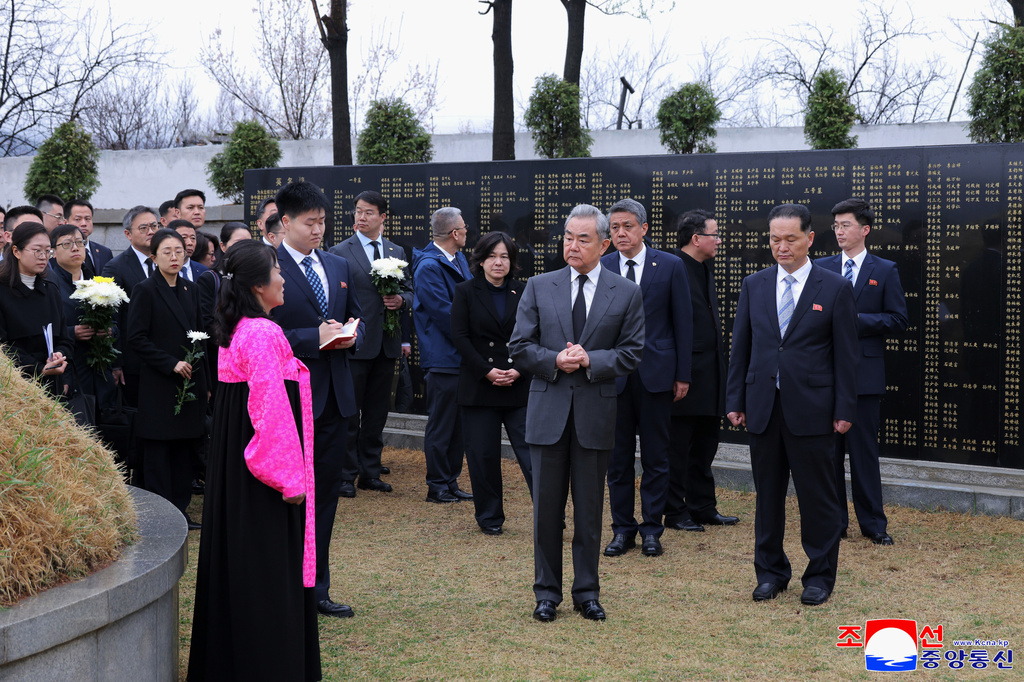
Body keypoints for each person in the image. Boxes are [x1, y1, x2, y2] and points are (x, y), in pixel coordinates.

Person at [188, 240, 320, 682]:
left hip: (236, 468)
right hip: (263, 475)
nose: (284, 278)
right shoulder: (263, 332)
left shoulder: (237, 327)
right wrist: (290, 480)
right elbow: (269, 410)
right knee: (266, 570)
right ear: (259, 286)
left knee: (239, 564)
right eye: (278, 271)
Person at [508, 203, 644, 623]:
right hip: (547, 414)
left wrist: (592, 360)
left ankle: (587, 592)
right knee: (546, 512)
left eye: (583, 239)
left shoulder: (625, 292)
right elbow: (519, 347)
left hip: (594, 417)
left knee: (588, 513)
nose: (572, 245)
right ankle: (546, 593)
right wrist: (553, 360)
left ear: (604, 244)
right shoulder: (538, 285)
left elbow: (632, 352)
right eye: (568, 236)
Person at [725, 203, 858, 607]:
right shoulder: (755, 284)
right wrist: (735, 398)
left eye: (790, 239)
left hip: (814, 409)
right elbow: (741, 347)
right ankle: (770, 573)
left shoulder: (834, 287)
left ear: (809, 239)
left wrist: (844, 409)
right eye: (774, 239)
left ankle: (819, 576)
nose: (781, 247)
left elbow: (846, 356)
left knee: (818, 498)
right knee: (767, 497)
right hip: (763, 405)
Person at [271, 180, 363, 618]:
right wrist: (314, 338)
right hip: (289, 401)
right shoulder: (265, 268)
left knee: (324, 496)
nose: (318, 230)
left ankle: (317, 585)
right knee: (287, 496)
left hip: (335, 400)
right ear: (285, 222)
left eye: (323, 222)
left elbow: (352, 318)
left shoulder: (338, 264)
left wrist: (350, 336)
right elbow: (253, 335)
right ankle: (282, 582)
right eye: (310, 223)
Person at [599, 198, 692, 558]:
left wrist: (682, 374)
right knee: (617, 459)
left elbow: (683, 322)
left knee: (656, 457)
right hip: (612, 377)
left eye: (627, 226)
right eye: (615, 228)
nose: (620, 233)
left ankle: (653, 529)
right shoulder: (602, 265)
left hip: (657, 375)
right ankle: (622, 529)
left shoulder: (669, 265)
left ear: (644, 229)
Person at [816, 198, 908, 546]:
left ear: (864, 229)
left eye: (846, 225)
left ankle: (873, 524)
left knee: (864, 454)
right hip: (825, 375)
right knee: (829, 455)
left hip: (865, 377)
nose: (839, 231)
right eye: (836, 225)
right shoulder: (820, 267)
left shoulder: (884, 270)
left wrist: (855, 322)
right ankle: (834, 521)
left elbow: (898, 319)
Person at [328, 191, 411, 494]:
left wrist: (401, 299)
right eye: (358, 212)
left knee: (377, 413)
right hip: (356, 344)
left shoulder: (396, 250)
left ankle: (370, 472)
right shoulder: (339, 251)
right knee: (350, 413)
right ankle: (345, 475)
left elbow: (410, 290)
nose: (361, 217)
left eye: (368, 213)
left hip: (387, 345)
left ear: (383, 217)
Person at [451, 231, 534, 536]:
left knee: (532, 454)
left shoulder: (526, 291)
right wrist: (486, 370)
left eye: (505, 257)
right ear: (481, 259)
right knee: (483, 456)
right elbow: (459, 336)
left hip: (519, 385)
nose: (498, 263)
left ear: (512, 262)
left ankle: (549, 516)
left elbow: (534, 336)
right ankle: (489, 517)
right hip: (479, 386)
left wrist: (521, 370)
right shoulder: (465, 291)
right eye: (492, 256)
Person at [127, 228, 209, 529]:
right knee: (160, 450)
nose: (174, 257)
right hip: (161, 383)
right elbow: (136, 338)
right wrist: (170, 363)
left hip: (190, 382)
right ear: (153, 257)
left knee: (184, 449)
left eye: (179, 251)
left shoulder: (192, 288)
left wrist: (206, 383)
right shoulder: (145, 290)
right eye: (167, 252)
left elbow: (201, 337)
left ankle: (181, 508)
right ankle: (162, 512)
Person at [666, 209, 739, 533]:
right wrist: (679, 373)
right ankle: (674, 510)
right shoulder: (672, 268)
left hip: (710, 374)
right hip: (685, 375)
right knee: (678, 447)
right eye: (714, 234)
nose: (719, 240)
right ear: (696, 239)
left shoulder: (703, 268)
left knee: (705, 444)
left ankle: (703, 506)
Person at [412, 207, 474, 504]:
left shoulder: (457, 258)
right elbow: (444, 313)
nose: (467, 231)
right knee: (441, 424)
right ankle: (436, 484)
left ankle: (450, 480)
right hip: (443, 358)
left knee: (458, 425)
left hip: (459, 357)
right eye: (464, 227)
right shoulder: (429, 267)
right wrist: (477, 332)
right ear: (454, 233)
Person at [0, 222, 72, 397]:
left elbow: (64, 338)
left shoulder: (50, 290)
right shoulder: (2, 291)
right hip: (14, 386)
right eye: (37, 250)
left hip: (50, 384)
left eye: (48, 251)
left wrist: (58, 356)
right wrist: (38, 368)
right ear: (16, 251)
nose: (43, 256)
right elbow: (3, 348)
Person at [49, 223, 116, 410]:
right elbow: (44, 329)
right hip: (72, 370)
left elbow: (117, 322)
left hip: (101, 371)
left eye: (79, 242)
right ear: (53, 252)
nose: (75, 247)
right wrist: (72, 333)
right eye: (67, 244)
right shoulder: (50, 286)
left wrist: (110, 330)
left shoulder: (97, 282)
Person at [102, 206, 161, 408]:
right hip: (133, 361)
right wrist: (116, 362)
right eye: (144, 228)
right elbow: (112, 317)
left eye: (154, 226)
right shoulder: (115, 267)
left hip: (164, 355)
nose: (151, 231)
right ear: (128, 234)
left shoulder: (166, 261)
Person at [65, 199, 112, 277]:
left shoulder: (105, 253)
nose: (84, 224)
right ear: (66, 222)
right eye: (78, 219)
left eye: (87, 219)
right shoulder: (59, 252)